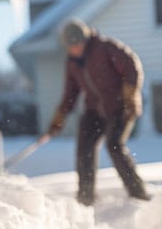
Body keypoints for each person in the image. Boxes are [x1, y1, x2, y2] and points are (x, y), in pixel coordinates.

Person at [38, 19, 150, 206]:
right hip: (95, 110)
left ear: (86, 39)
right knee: (84, 149)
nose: (75, 48)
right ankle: (85, 198)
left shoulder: (105, 48)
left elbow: (132, 67)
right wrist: (57, 122)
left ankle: (138, 194)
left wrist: (130, 97)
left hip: (120, 106)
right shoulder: (72, 63)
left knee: (114, 145)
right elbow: (70, 94)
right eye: (71, 46)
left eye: (78, 43)